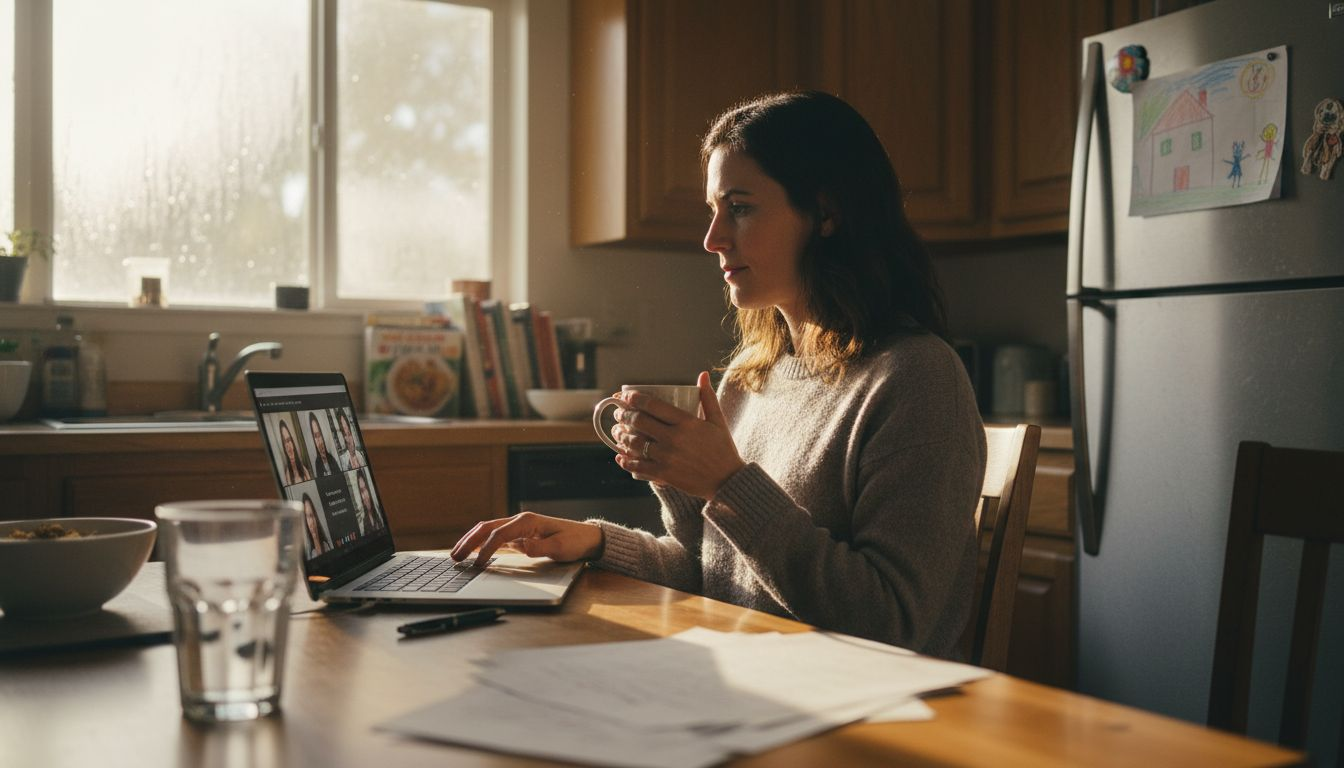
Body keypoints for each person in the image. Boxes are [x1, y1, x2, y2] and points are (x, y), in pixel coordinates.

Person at [450, 91, 985, 658]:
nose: (713, 239)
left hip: (867, 716)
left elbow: (895, 623)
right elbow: (708, 569)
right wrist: (595, 541)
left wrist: (727, 485)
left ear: (827, 213)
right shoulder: (753, 379)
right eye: (714, 210)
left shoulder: (917, 379)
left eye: (741, 207)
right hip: (751, 679)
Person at [277, 417, 313, 486]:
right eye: (284, 442)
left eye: (288, 440)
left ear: (292, 442)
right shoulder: (287, 475)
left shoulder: (303, 469)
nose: (288, 446)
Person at [308, 412, 339, 477]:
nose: (319, 441)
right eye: (315, 436)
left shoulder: (331, 457)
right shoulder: (317, 463)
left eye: (320, 435)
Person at [301, 493, 332, 557]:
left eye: (312, 515)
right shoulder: (307, 554)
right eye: (307, 516)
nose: (311, 522)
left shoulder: (326, 545)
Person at [355, 470, 384, 534]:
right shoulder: (363, 524)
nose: (364, 496)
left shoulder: (381, 513)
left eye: (365, 489)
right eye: (361, 492)